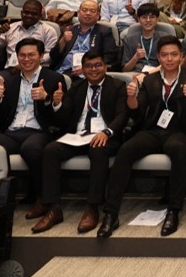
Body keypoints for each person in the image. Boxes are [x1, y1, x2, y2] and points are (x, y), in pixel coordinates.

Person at [99, 36, 186, 238]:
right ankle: (111, 213)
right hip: (152, 131)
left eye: (174, 54)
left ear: (181, 56)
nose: (170, 59)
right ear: (158, 57)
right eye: (165, 55)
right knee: (126, 150)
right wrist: (131, 97)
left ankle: (173, 211)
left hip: (180, 132)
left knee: (179, 150)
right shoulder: (150, 79)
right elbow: (136, 114)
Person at [30, 51, 128, 234]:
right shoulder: (76, 87)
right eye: (89, 66)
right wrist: (56, 103)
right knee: (51, 150)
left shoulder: (117, 86)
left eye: (98, 65)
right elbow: (63, 118)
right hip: (79, 135)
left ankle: (92, 208)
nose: (94, 70)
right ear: (82, 69)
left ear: (105, 67)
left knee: (98, 152)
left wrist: (106, 132)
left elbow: (122, 115)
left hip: (105, 136)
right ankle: (53, 208)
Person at [0, 38, 67, 212]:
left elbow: (60, 118)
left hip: (39, 130)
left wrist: (46, 99)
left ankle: (42, 197)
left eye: (31, 55)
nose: (26, 59)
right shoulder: (10, 80)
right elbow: (2, 118)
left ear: (41, 56)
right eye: (22, 55)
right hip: (12, 131)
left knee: (31, 148)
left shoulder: (54, 78)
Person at [0, 0, 59, 70]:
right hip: (11, 70)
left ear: (40, 15)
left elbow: (49, 55)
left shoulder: (48, 31)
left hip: (36, 70)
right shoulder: (11, 28)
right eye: (26, 12)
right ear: (21, 13)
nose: (29, 15)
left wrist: (26, 63)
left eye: (34, 14)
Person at [51, 0, 119, 75]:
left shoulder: (104, 31)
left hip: (89, 73)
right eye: (84, 10)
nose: (88, 13)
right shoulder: (70, 30)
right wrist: (63, 41)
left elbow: (109, 57)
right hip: (63, 71)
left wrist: (89, 66)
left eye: (92, 11)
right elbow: (53, 56)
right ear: (79, 13)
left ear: (98, 15)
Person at [120, 3, 165, 73]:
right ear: (138, 19)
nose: (148, 20)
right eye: (144, 17)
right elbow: (125, 70)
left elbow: (171, 65)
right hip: (134, 74)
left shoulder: (165, 39)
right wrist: (136, 57)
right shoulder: (129, 40)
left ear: (157, 19)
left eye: (152, 17)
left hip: (158, 73)